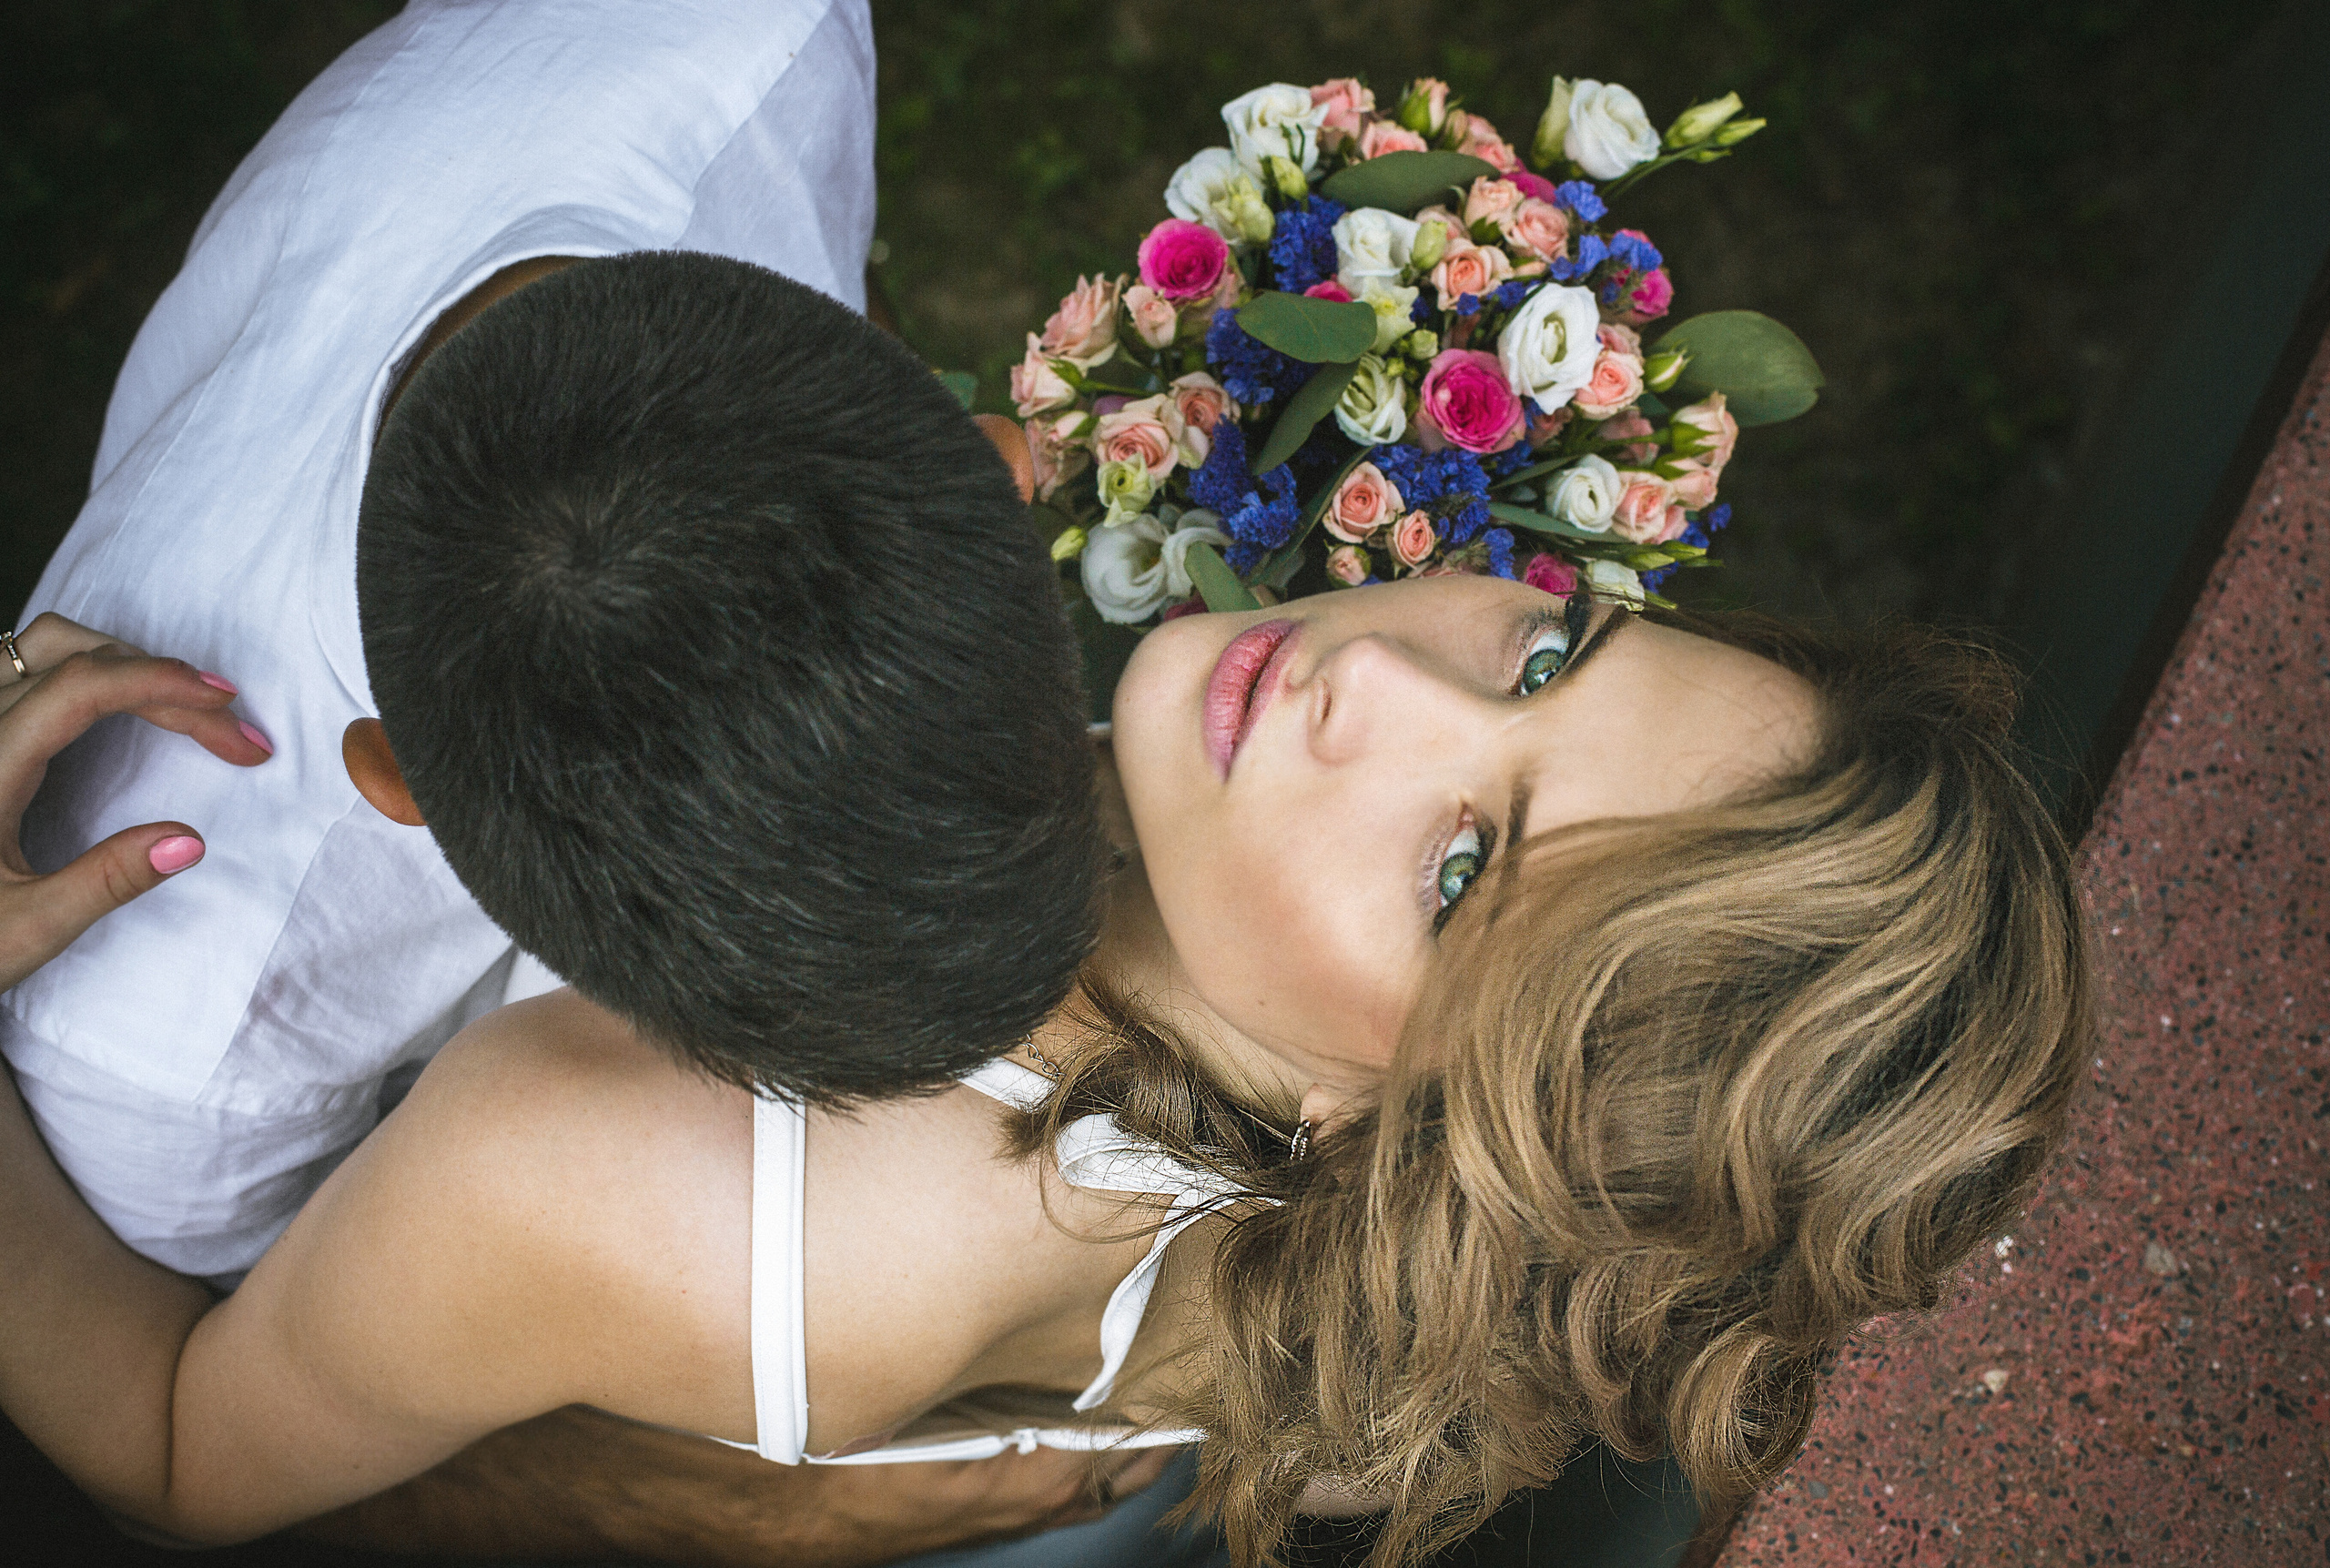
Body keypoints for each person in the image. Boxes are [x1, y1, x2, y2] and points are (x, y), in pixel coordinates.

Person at [0, 574, 2092, 1568]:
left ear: (1417, 1129)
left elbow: (174, 1447)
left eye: (1465, 870)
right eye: (1549, 656)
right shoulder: (1271, 1086)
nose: (1382, 674)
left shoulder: (677, 1179)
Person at [2, 0, 1112, 1297]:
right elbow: (289, 1387)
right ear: (401, 783)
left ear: (992, 457)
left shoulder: (757, 38)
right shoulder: (170, 1042)